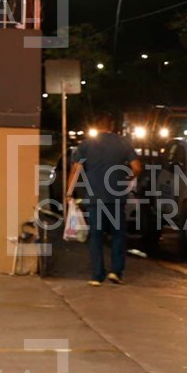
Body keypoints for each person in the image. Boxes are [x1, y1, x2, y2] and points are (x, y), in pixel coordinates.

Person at [66, 115, 142, 286]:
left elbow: (75, 169)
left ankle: (96, 275)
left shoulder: (85, 145)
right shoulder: (123, 143)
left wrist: (69, 193)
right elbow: (137, 167)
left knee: (96, 236)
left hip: (94, 198)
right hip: (116, 197)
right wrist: (128, 177)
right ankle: (116, 272)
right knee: (118, 235)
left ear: (96, 126)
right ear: (112, 126)